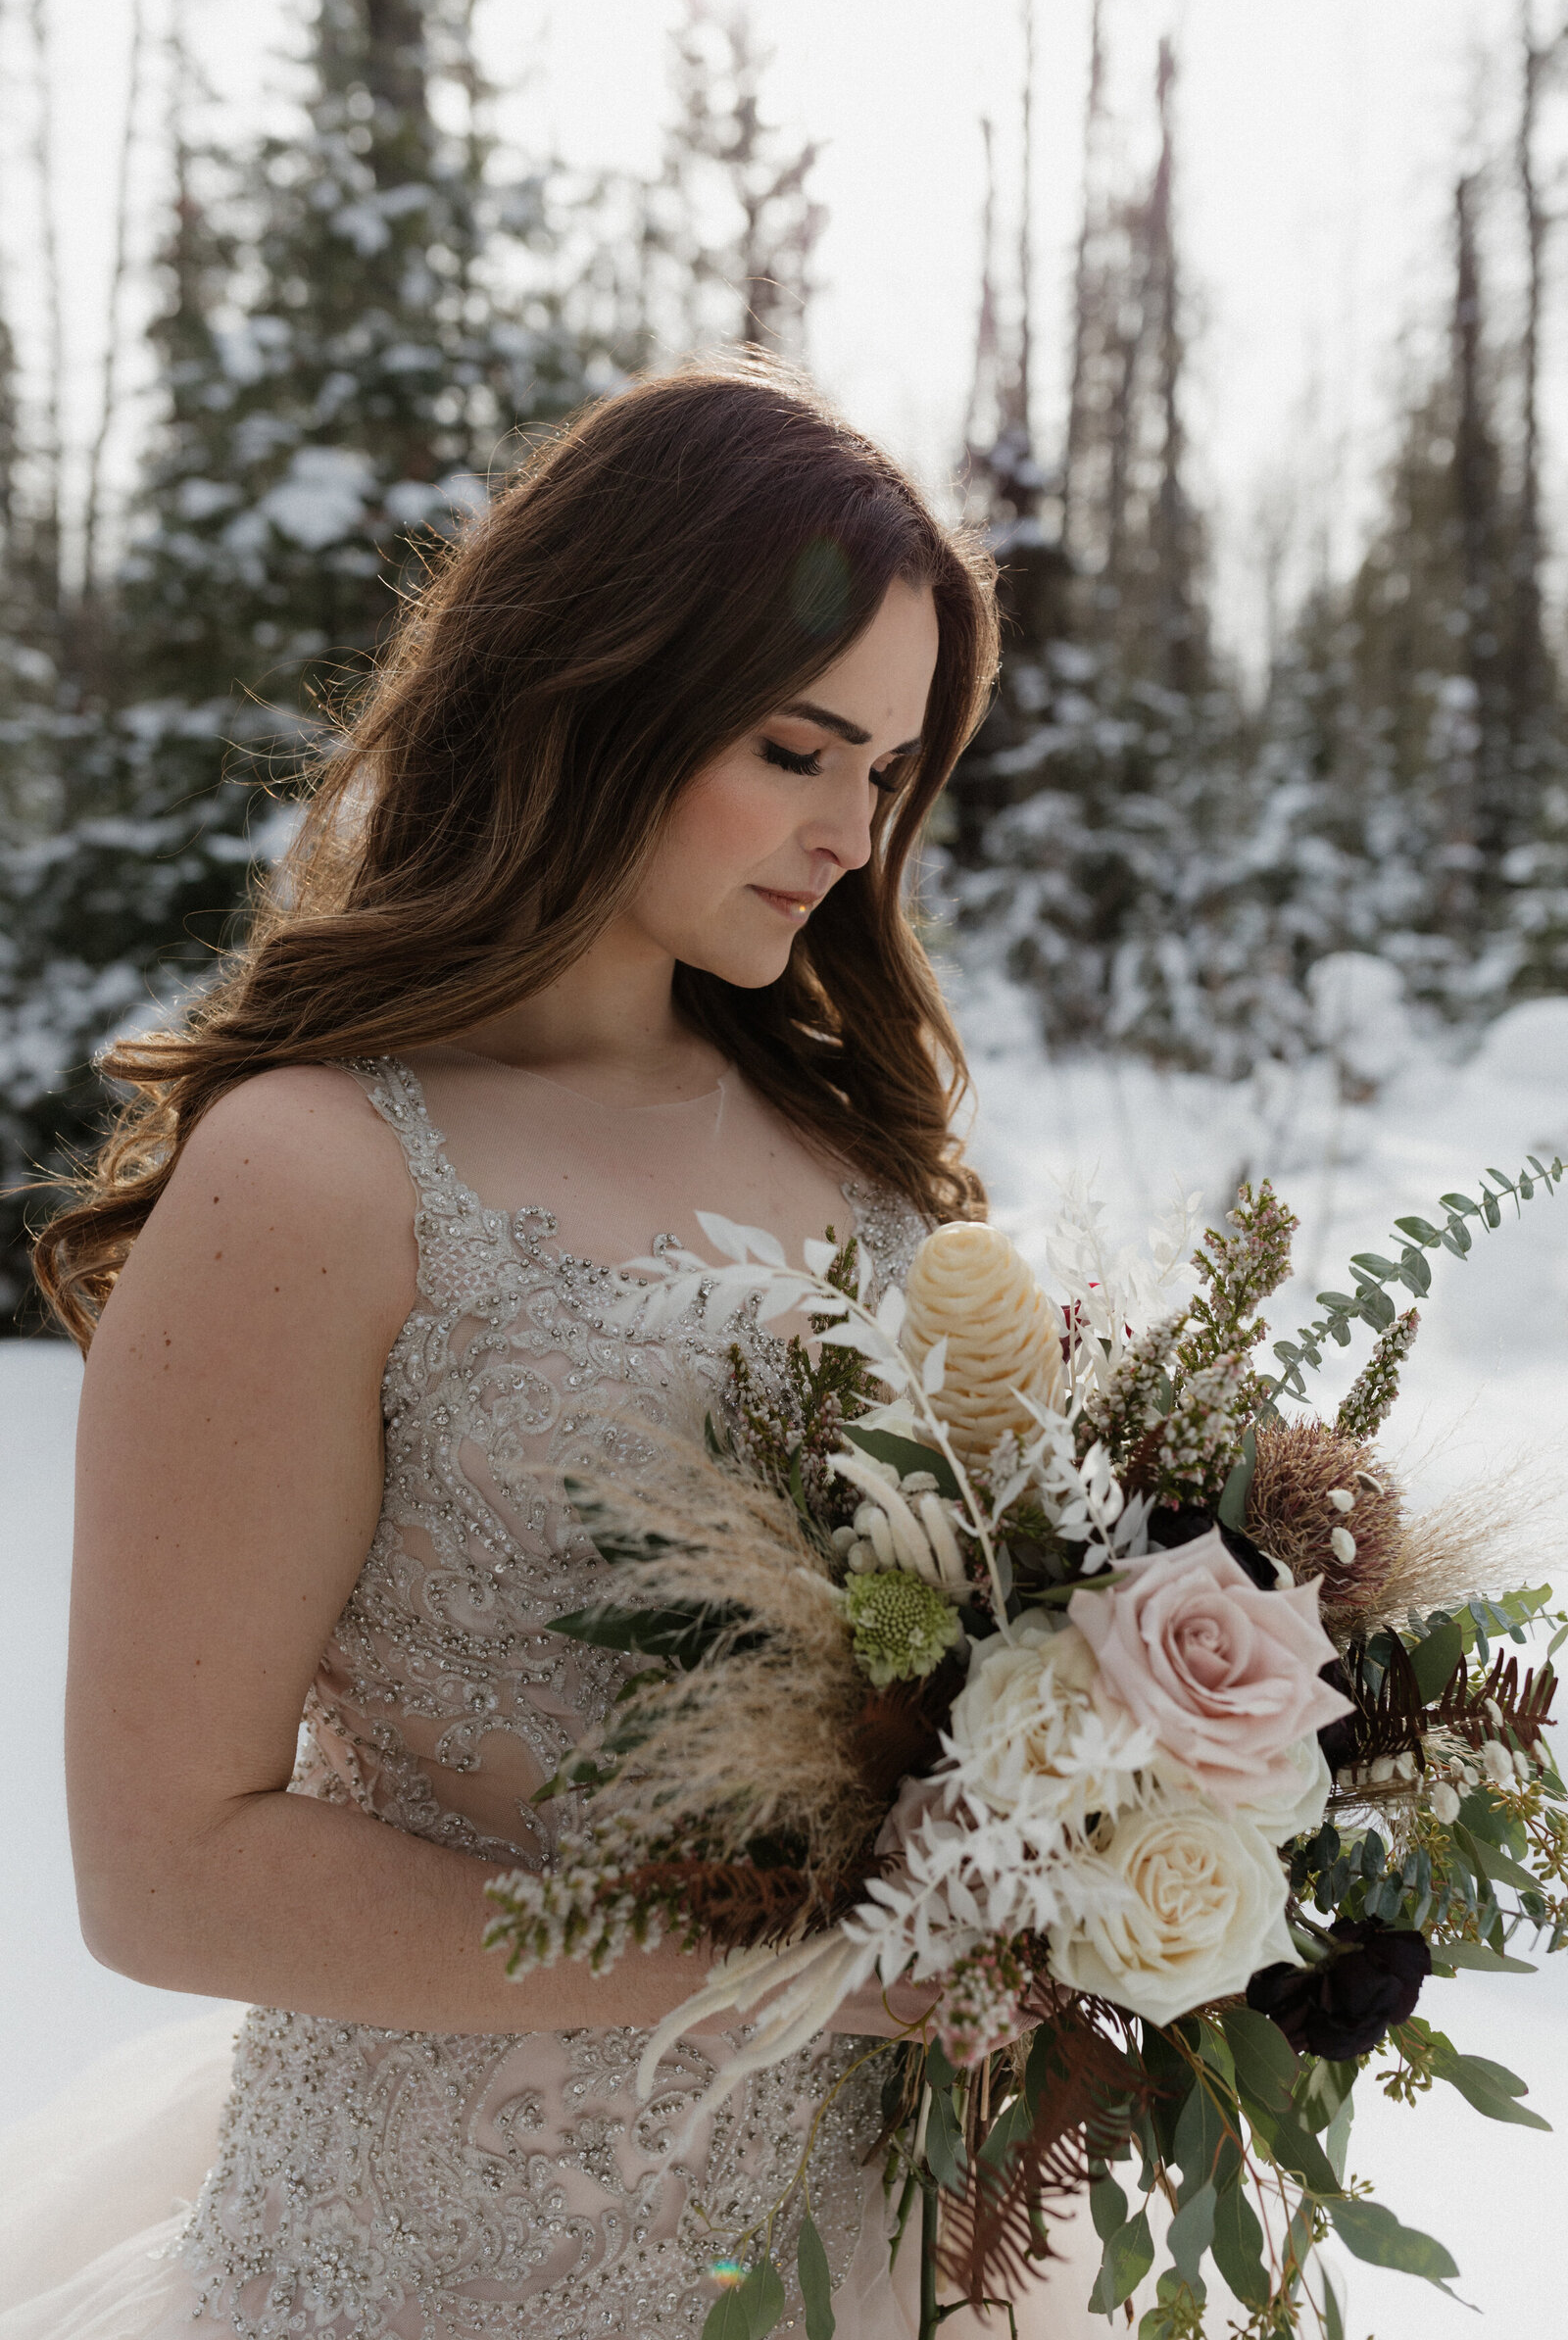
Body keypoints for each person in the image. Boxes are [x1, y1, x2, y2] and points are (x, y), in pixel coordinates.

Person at [0, 358, 1104, 2339]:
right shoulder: (319, 1174)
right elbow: (164, 1870)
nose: (851, 829)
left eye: (888, 769)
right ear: (602, 683)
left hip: (893, 2249)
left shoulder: (862, 1161)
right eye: (795, 747)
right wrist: (775, 1961)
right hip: (457, 2262)